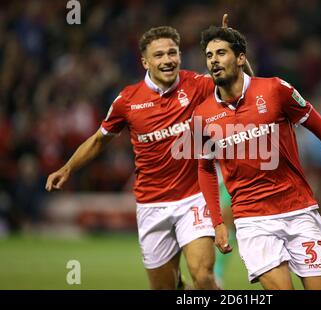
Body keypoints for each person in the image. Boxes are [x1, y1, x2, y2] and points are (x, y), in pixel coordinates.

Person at [46, 16, 252, 290]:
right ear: (145, 62)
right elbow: (98, 140)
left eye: (172, 53)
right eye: (158, 55)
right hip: (151, 205)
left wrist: (232, 47)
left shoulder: (198, 85)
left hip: (195, 198)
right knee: (165, 288)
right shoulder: (127, 101)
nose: (167, 60)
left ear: (179, 55)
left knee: (203, 276)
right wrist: (67, 168)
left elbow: (245, 84)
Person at [192, 26, 321, 290]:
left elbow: (320, 127)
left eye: (221, 52)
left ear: (241, 58)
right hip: (252, 221)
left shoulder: (275, 90)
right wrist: (218, 222)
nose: (213, 60)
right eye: (209, 55)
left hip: (299, 211)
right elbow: (205, 169)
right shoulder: (202, 115)